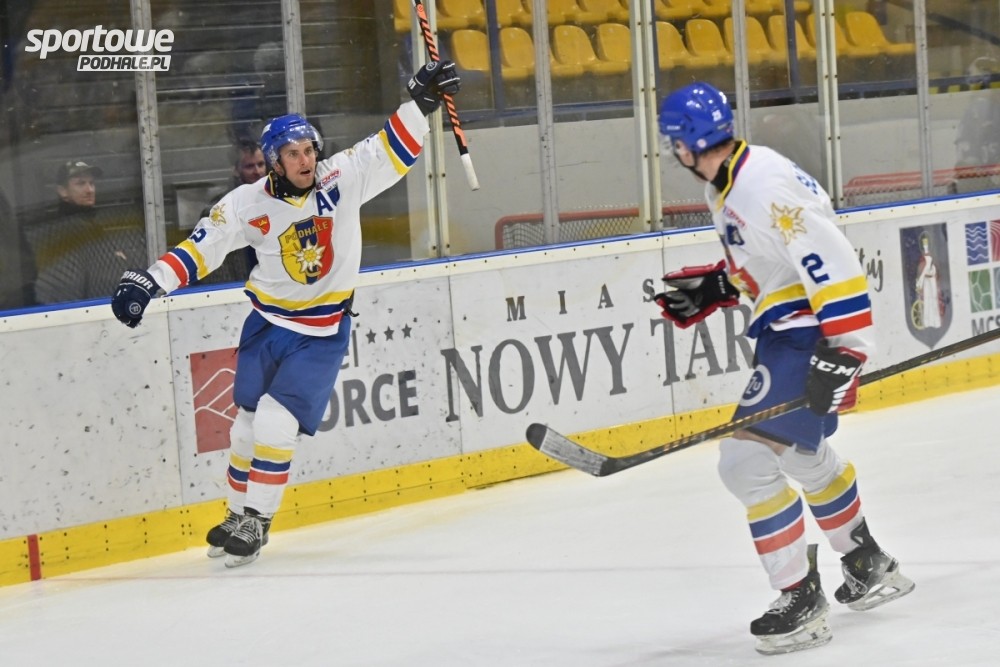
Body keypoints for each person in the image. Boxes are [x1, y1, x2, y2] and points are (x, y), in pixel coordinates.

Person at [110, 60, 461, 568]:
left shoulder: (341, 178)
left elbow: (389, 149)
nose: (306, 160)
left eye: (309, 149)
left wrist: (419, 105)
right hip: (267, 325)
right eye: (293, 153)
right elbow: (202, 249)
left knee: (276, 423)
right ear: (274, 161)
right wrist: (151, 281)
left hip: (320, 332)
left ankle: (257, 521)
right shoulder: (246, 203)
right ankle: (236, 514)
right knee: (244, 428)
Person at [654, 82, 914, 655]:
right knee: (799, 455)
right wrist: (721, 286)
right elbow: (778, 259)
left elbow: (831, 259)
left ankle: (799, 597)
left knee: (745, 464)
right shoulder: (734, 181)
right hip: (789, 331)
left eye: (674, 143)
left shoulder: (761, 184)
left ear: (684, 144)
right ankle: (866, 562)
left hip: (805, 335)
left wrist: (847, 350)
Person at [30, 160, 146, 304]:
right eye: (80, 184)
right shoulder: (63, 230)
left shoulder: (87, 225)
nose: (89, 190)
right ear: (62, 191)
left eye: (91, 183)